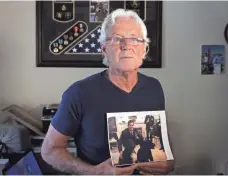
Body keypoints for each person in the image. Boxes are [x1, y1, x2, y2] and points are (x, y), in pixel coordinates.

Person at [41, 8, 174, 175]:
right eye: (117, 39)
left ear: (144, 50)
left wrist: (168, 163)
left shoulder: (154, 88)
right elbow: (49, 151)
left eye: (134, 39)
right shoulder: (79, 93)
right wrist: (94, 172)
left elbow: (162, 143)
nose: (126, 46)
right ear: (104, 49)